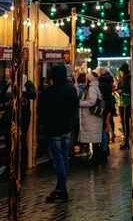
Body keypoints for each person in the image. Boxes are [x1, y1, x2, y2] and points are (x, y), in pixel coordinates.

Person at [40, 64, 79, 203]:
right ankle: (61, 188)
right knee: (64, 158)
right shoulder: (71, 90)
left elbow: (42, 109)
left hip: (54, 128)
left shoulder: (48, 91)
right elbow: (74, 107)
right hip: (66, 127)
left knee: (58, 160)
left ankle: (61, 189)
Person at [0, 69, 37, 178]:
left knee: (21, 141)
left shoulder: (27, 83)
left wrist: (19, 92)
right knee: (9, 141)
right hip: (10, 117)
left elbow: (33, 94)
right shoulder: (9, 85)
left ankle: (22, 169)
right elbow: (2, 97)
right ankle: (9, 167)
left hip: (23, 117)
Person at [79, 71, 103, 163]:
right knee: (94, 139)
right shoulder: (96, 87)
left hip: (91, 117)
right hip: (93, 118)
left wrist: (80, 103)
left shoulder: (91, 88)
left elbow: (91, 102)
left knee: (93, 138)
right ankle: (96, 157)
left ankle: (95, 158)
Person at [97, 67, 114, 159]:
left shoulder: (102, 83)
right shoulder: (107, 82)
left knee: (103, 128)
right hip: (108, 107)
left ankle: (104, 149)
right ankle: (105, 148)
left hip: (104, 108)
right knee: (106, 127)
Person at [116, 63, 131, 150]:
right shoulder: (121, 80)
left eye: (121, 71)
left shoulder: (128, 78)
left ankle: (126, 141)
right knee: (123, 122)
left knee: (125, 122)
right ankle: (125, 140)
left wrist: (121, 92)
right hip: (121, 102)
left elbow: (129, 91)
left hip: (126, 102)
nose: (120, 73)